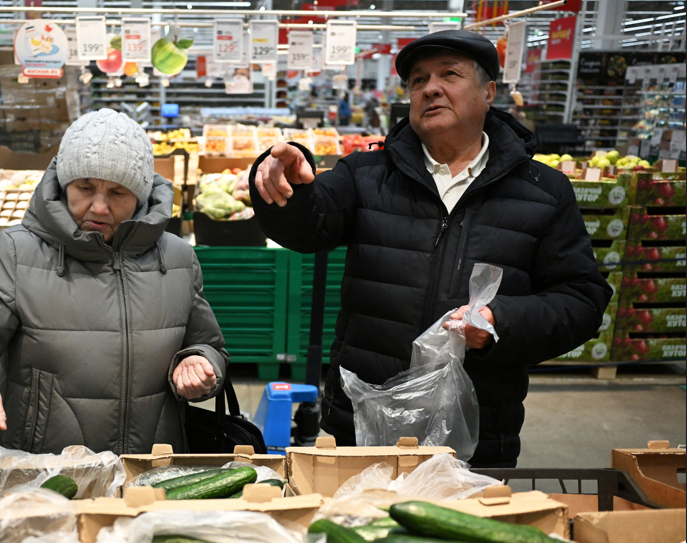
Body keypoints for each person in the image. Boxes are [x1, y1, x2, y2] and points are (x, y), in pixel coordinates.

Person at [249, 29, 611, 468]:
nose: (431, 87)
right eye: (418, 80)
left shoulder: (543, 191)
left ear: (488, 91)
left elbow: (582, 300)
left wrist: (502, 323)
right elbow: (308, 225)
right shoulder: (367, 173)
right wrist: (283, 182)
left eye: (449, 74)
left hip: (476, 433)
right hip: (363, 425)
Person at [0, 109, 229, 457]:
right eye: (85, 187)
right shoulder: (20, 253)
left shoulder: (178, 259)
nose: (99, 206)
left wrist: (198, 362)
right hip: (46, 476)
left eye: (118, 192)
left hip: (150, 471)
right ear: (64, 186)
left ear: (140, 196)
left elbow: (210, 346)